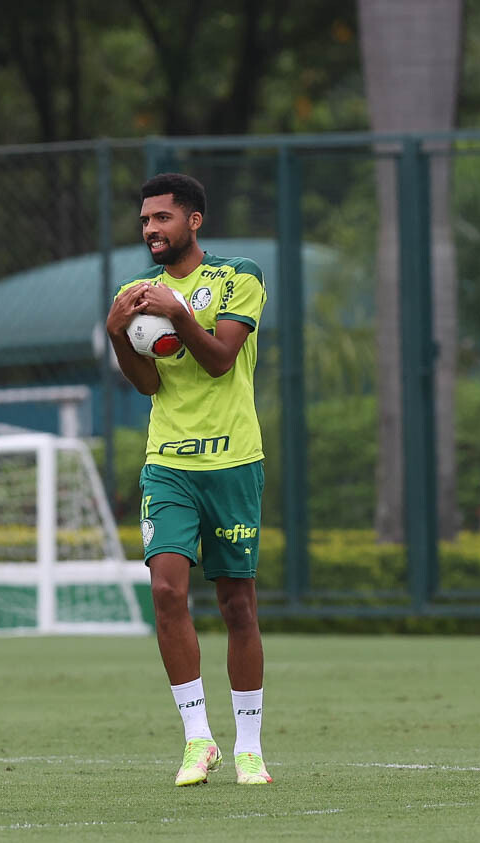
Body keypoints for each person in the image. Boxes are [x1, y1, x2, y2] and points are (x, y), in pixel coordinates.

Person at [105, 173, 272, 787]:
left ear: (194, 221)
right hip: (168, 462)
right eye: (145, 220)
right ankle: (198, 740)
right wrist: (118, 335)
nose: (151, 229)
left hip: (233, 463)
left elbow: (221, 358)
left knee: (237, 605)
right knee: (168, 592)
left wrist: (178, 312)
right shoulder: (135, 294)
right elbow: (149, 383)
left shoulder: (240, 276)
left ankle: (249, 746)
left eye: (163, 218)